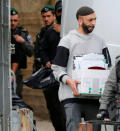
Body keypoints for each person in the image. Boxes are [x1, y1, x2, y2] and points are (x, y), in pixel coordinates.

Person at [51, 6, 112, 131]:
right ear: (80, 21)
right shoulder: (67, 41)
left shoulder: (100, 42)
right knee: (73, 128)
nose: (93, 23)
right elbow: (57, 69)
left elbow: (108, 68)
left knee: (95, 128)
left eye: (95, 19)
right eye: (90, 20)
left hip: (94, 98)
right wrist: (69, 81)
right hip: (72, 96)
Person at [40, 1, 66, 131]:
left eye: (63, 11)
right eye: (59, 11)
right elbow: (42, 49)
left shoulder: (72, 31)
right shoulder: (50, 32)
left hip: (66, 78)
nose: (61, 14)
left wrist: (63, 32)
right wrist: (46, 61)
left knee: (64, 110)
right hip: (52, 77)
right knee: (53, 109)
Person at [11, 8, 34, 98]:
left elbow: (31, 52)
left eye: (15, 20)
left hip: (17, 72)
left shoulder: (23, 33)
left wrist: (23, 41)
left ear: (18, 20)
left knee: (16, 96)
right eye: (10, 20)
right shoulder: (2, 32)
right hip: (3, 69)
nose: (12, 23)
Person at [32, 5, 55, 73]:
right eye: (44, 16)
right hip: (40, 68)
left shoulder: (58, 31)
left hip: (53, 68)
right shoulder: (41, 32)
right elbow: (37, 52)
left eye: (48, 16)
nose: (46, 19)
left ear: (54, 16)